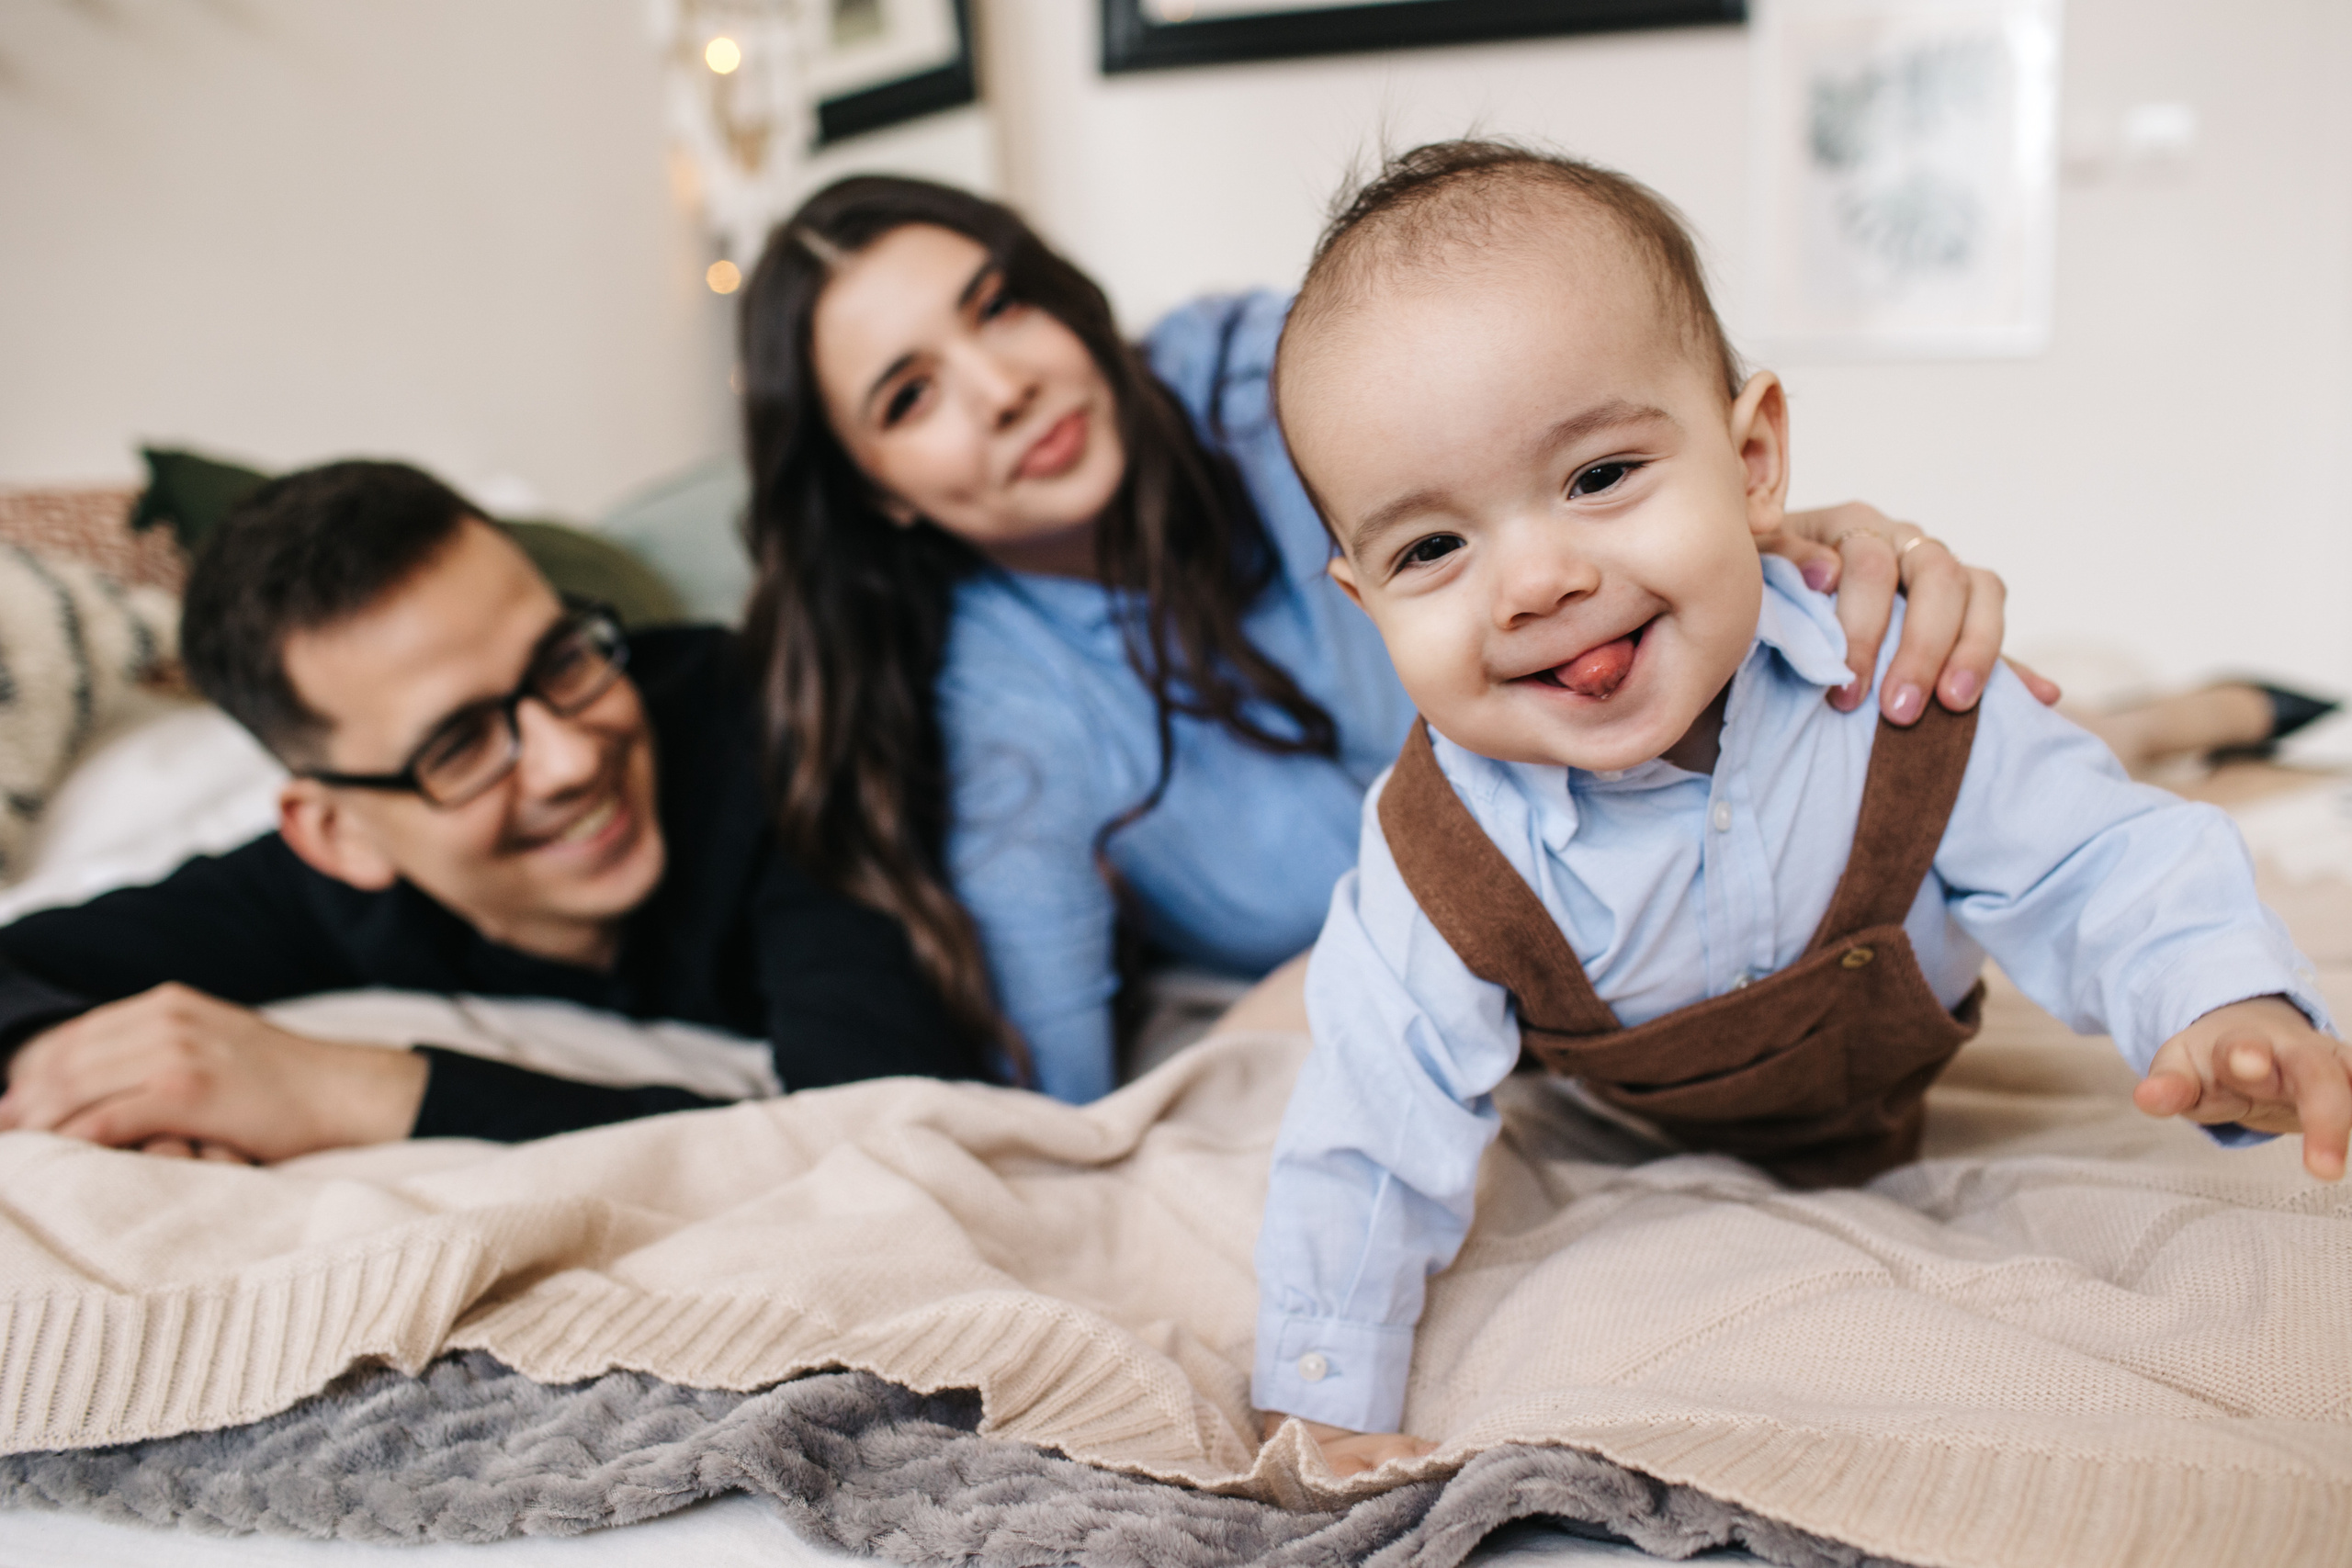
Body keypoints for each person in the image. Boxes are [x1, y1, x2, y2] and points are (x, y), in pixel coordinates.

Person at [1249, 141, 2352, 1472]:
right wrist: (1323, 1388)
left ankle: (2201, 713)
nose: (1534, 581)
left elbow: (2097, 859)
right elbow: (1370, 1122)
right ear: (1365, 603)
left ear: (1755, 455)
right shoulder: (1441, 851)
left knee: (2062, 746)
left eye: (1598, 475)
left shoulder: (1905, 685)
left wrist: (2222, 998)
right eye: (1432, 547)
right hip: (1632, 1115)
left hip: (1893, 1049)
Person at [739, 175, 2048, 1103]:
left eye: (1000, 304)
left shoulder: (1269, 381)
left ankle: (2190, 716)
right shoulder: (996, 699)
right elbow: (1063, 1088)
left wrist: (1793, 546)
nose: (1003, 383)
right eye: (911, 395)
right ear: (875, 489)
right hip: (1472, 985)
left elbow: (1591, 462)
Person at [0, 461, 978, 1162]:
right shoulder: (321, 894)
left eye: (562, 660)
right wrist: (62, 1060)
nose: (568, 757)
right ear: (338, 834)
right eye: (460, 744)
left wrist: (354, 1091)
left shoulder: (778, 736)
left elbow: (874, 1139)